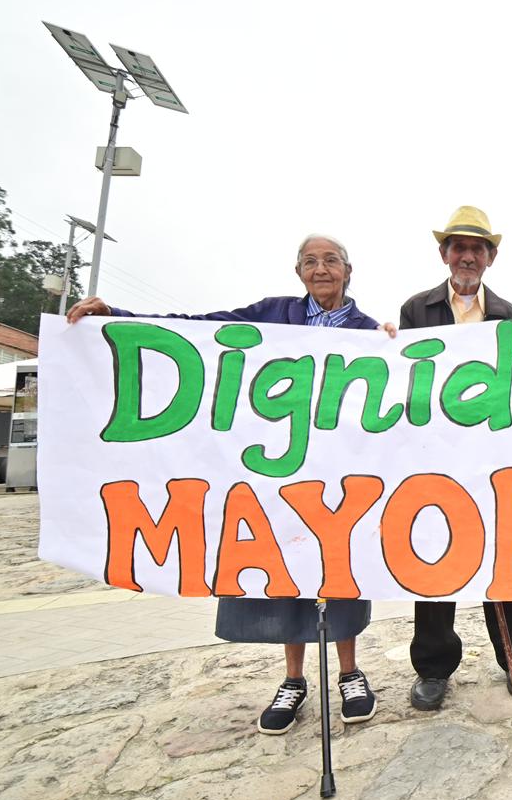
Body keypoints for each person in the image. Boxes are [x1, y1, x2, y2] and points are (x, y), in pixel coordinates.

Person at [66, 233, 395, 735]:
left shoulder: (368, 331)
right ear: (298, 272)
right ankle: (293, 680)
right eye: (310, 261)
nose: (321, 269)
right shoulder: (273, 314)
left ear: (349, 271)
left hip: (333, 481)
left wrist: (394, 348)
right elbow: (200, 333)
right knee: (287, 574)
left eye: (331, 260)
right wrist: (117, 316)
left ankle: (350, 673)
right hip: (275, 478)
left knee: (336, 573)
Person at [398, 205, 512, 712]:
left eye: (477, 248)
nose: (467, 256)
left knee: (505, 557)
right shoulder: (416, 311)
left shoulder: (511, 316)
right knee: (435, 562)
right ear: (444, 254)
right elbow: (407, 382)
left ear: (491, 258)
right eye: (459, 246)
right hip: (436, 461)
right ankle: (433, 668)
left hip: (496, 460)